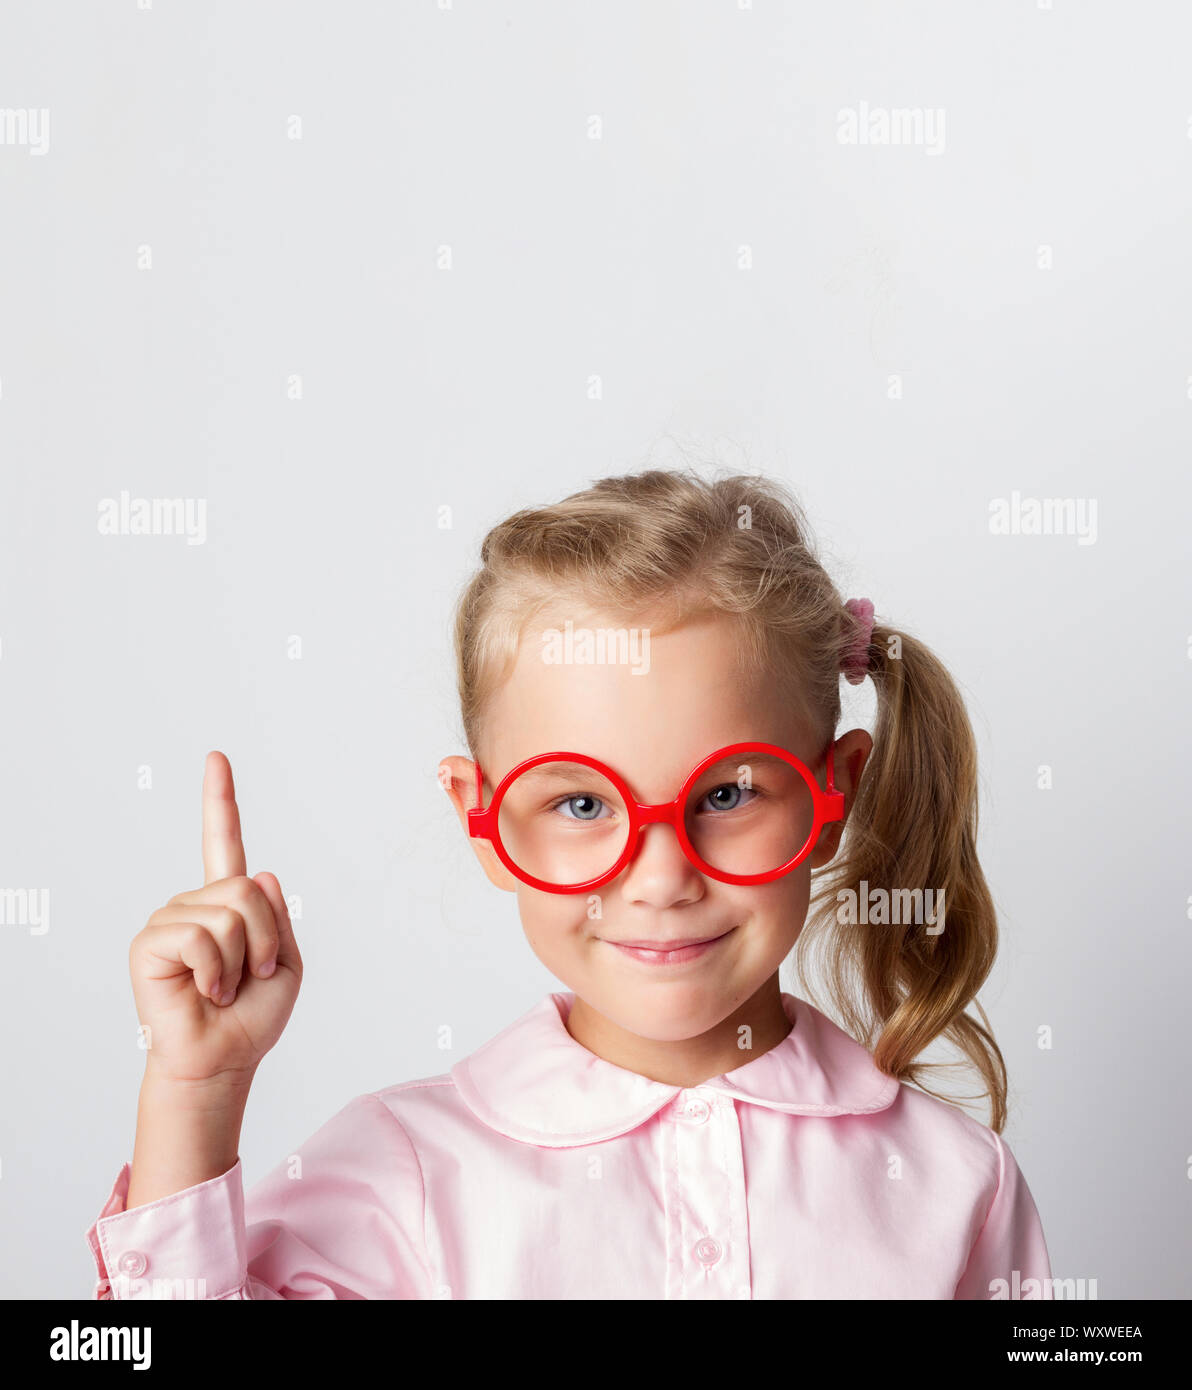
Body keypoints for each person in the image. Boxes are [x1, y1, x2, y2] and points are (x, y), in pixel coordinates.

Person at [86, 468, 1052, 1299]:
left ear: (831, 790)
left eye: (726, 793)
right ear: (482, 814)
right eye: (583, 807)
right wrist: (194, 1093)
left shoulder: (955, 1183)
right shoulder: (407, 1170)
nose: (662, 877)